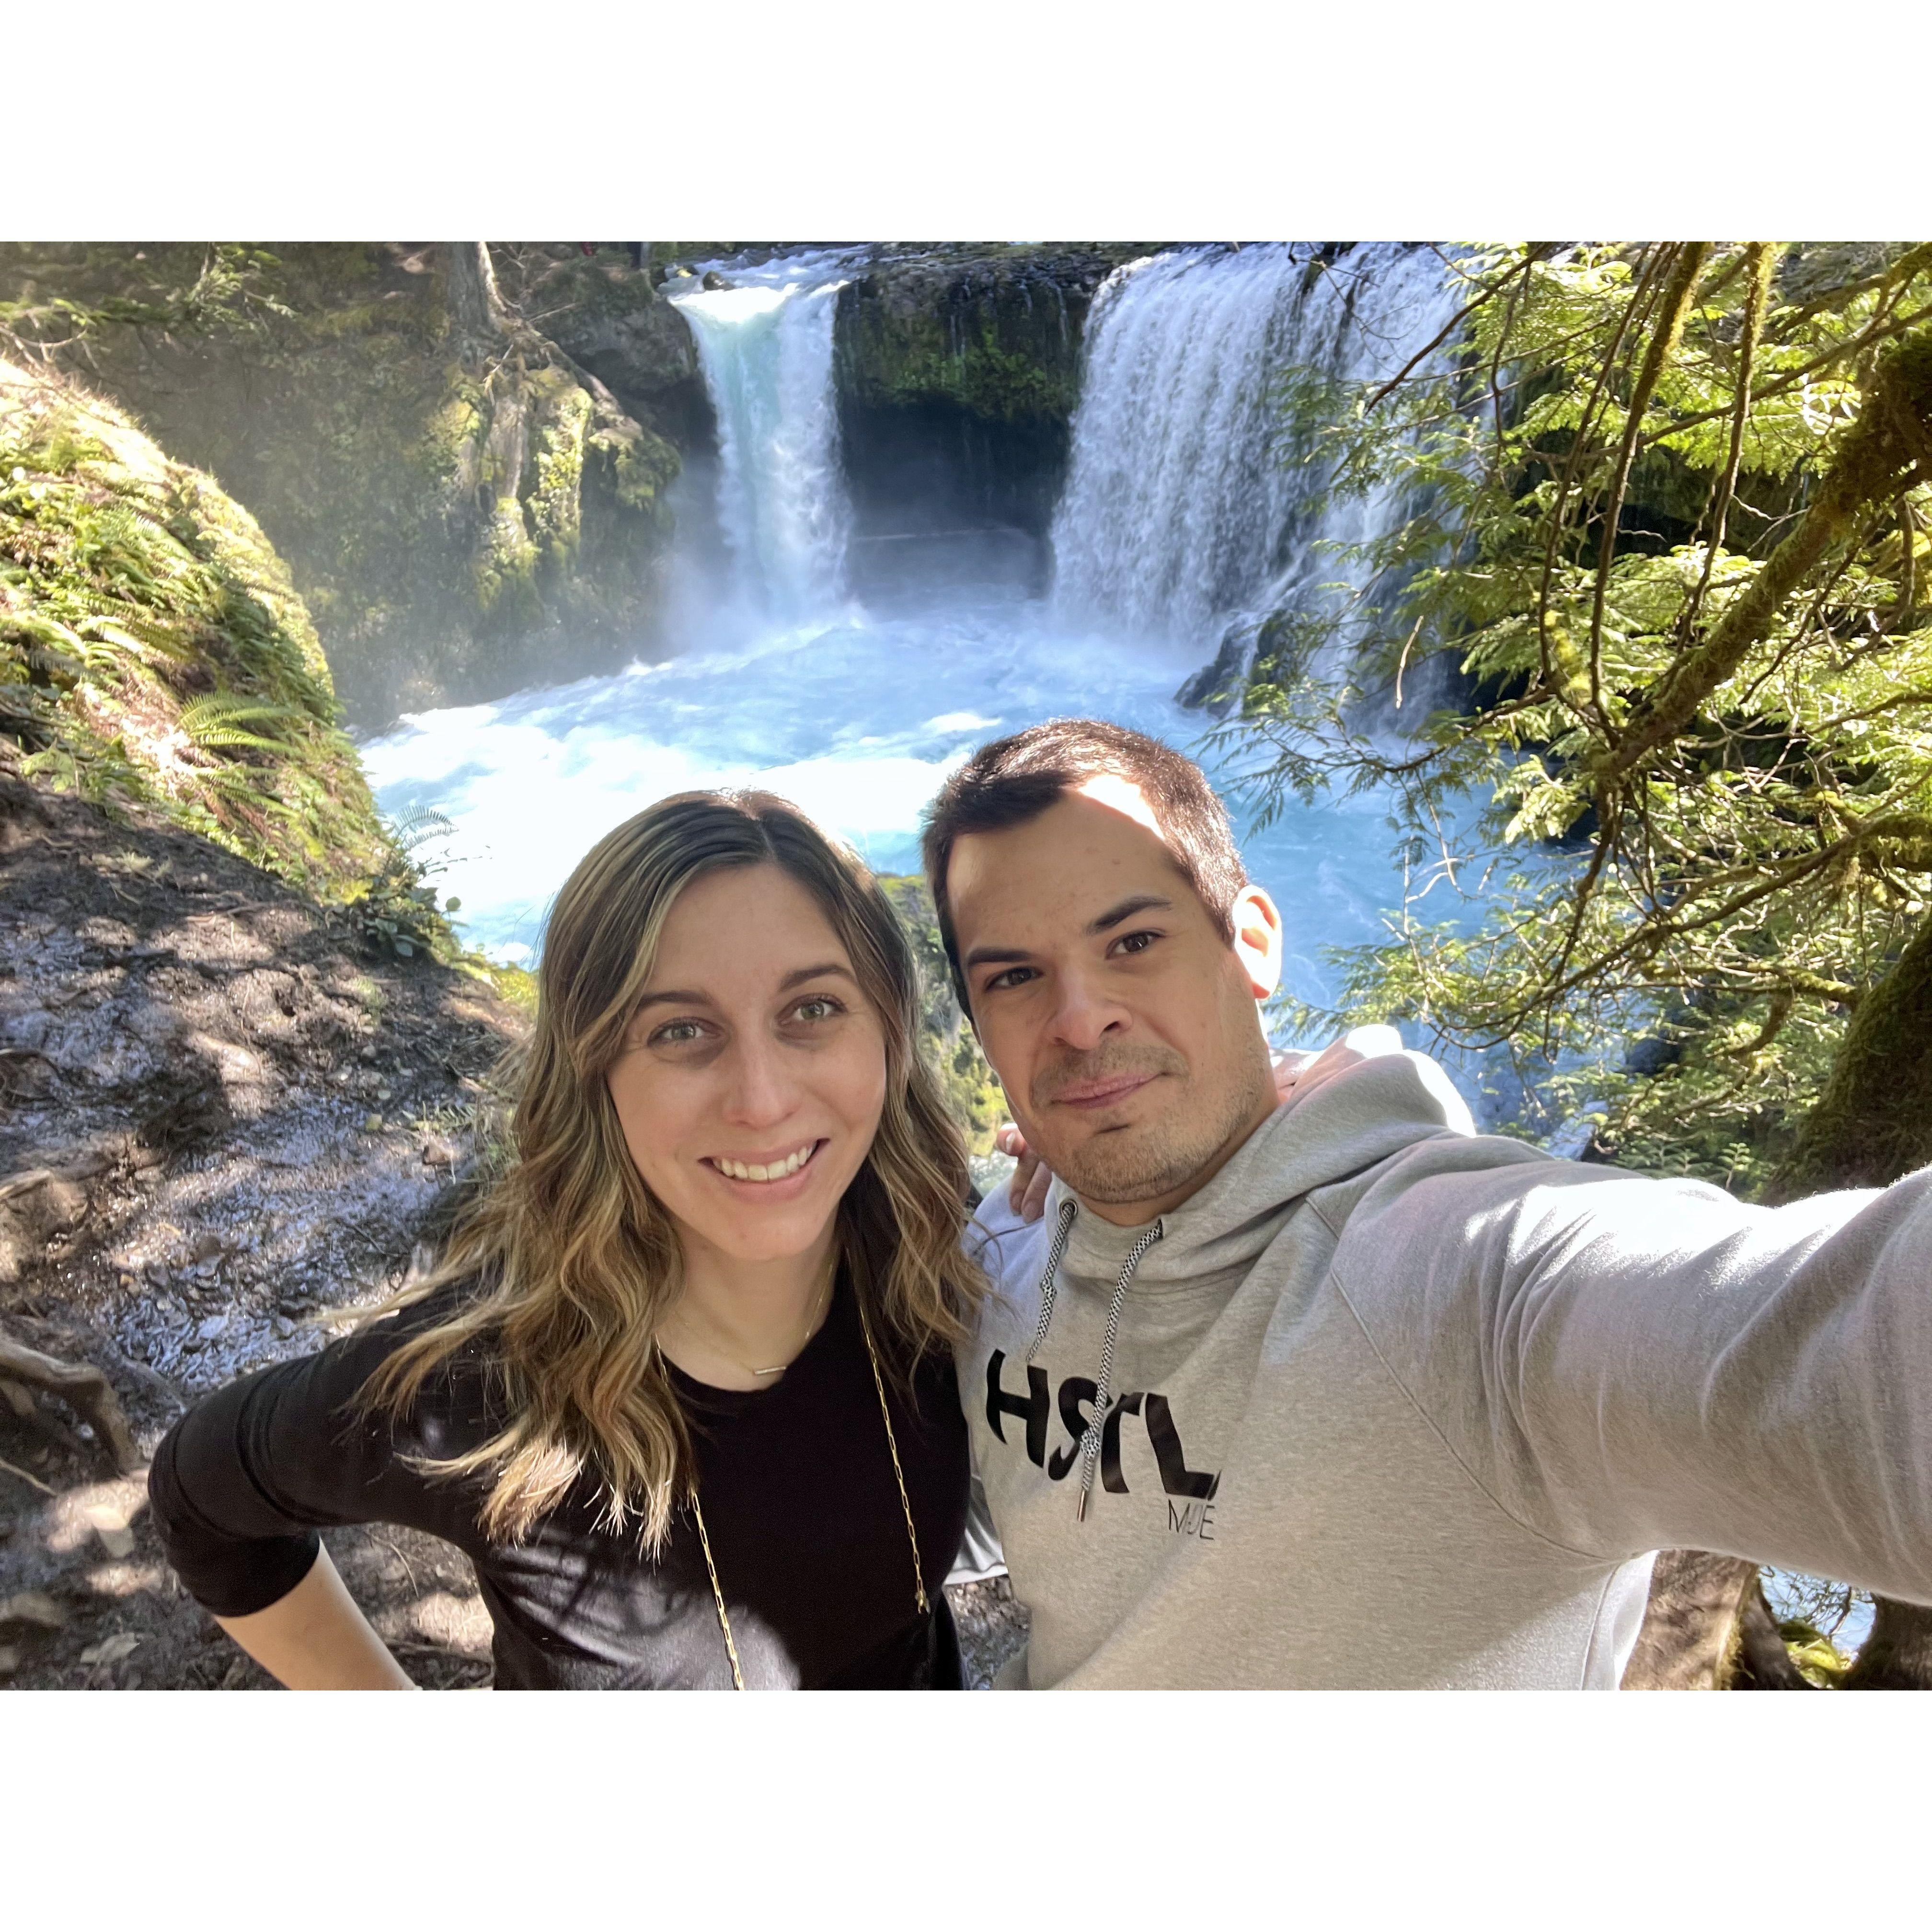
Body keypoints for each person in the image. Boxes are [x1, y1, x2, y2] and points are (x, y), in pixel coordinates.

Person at [921, 718, 1932, 1689]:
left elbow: (1831, 1331)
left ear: (1254, 942)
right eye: (1015, 977)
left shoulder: (1468, 1286)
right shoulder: (997, 1255)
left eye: (1134, 941)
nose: (1081, 1019)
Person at [148, 791, 985, 1689]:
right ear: (596, 1076)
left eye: (813, 1009)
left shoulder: (942, 1265)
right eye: (680, 1030)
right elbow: (203, 1499)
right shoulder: (480, 1392)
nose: (763, 1099)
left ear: (891, 1033)